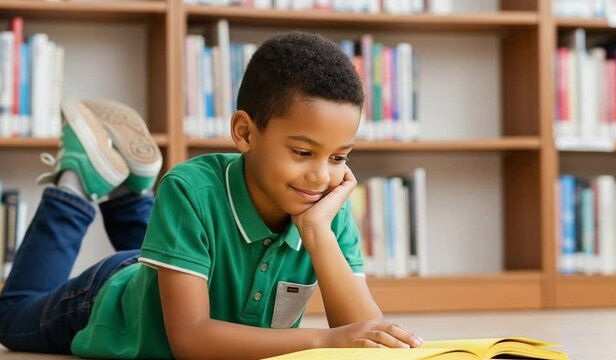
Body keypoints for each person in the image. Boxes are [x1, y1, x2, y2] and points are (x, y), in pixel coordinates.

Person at [0, 32, 423, 359]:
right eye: (302, 152)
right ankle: (74, 181)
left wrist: (317, 233)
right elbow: (191, 339)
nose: (320, 175)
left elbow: (367, 338)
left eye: (339, 157)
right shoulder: (190, 188)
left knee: (177, 248)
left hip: (180, 268)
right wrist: (323, 340)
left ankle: (131, 191)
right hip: (110, 300)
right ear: (244, 132)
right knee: (11, 316)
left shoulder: (326, 209)